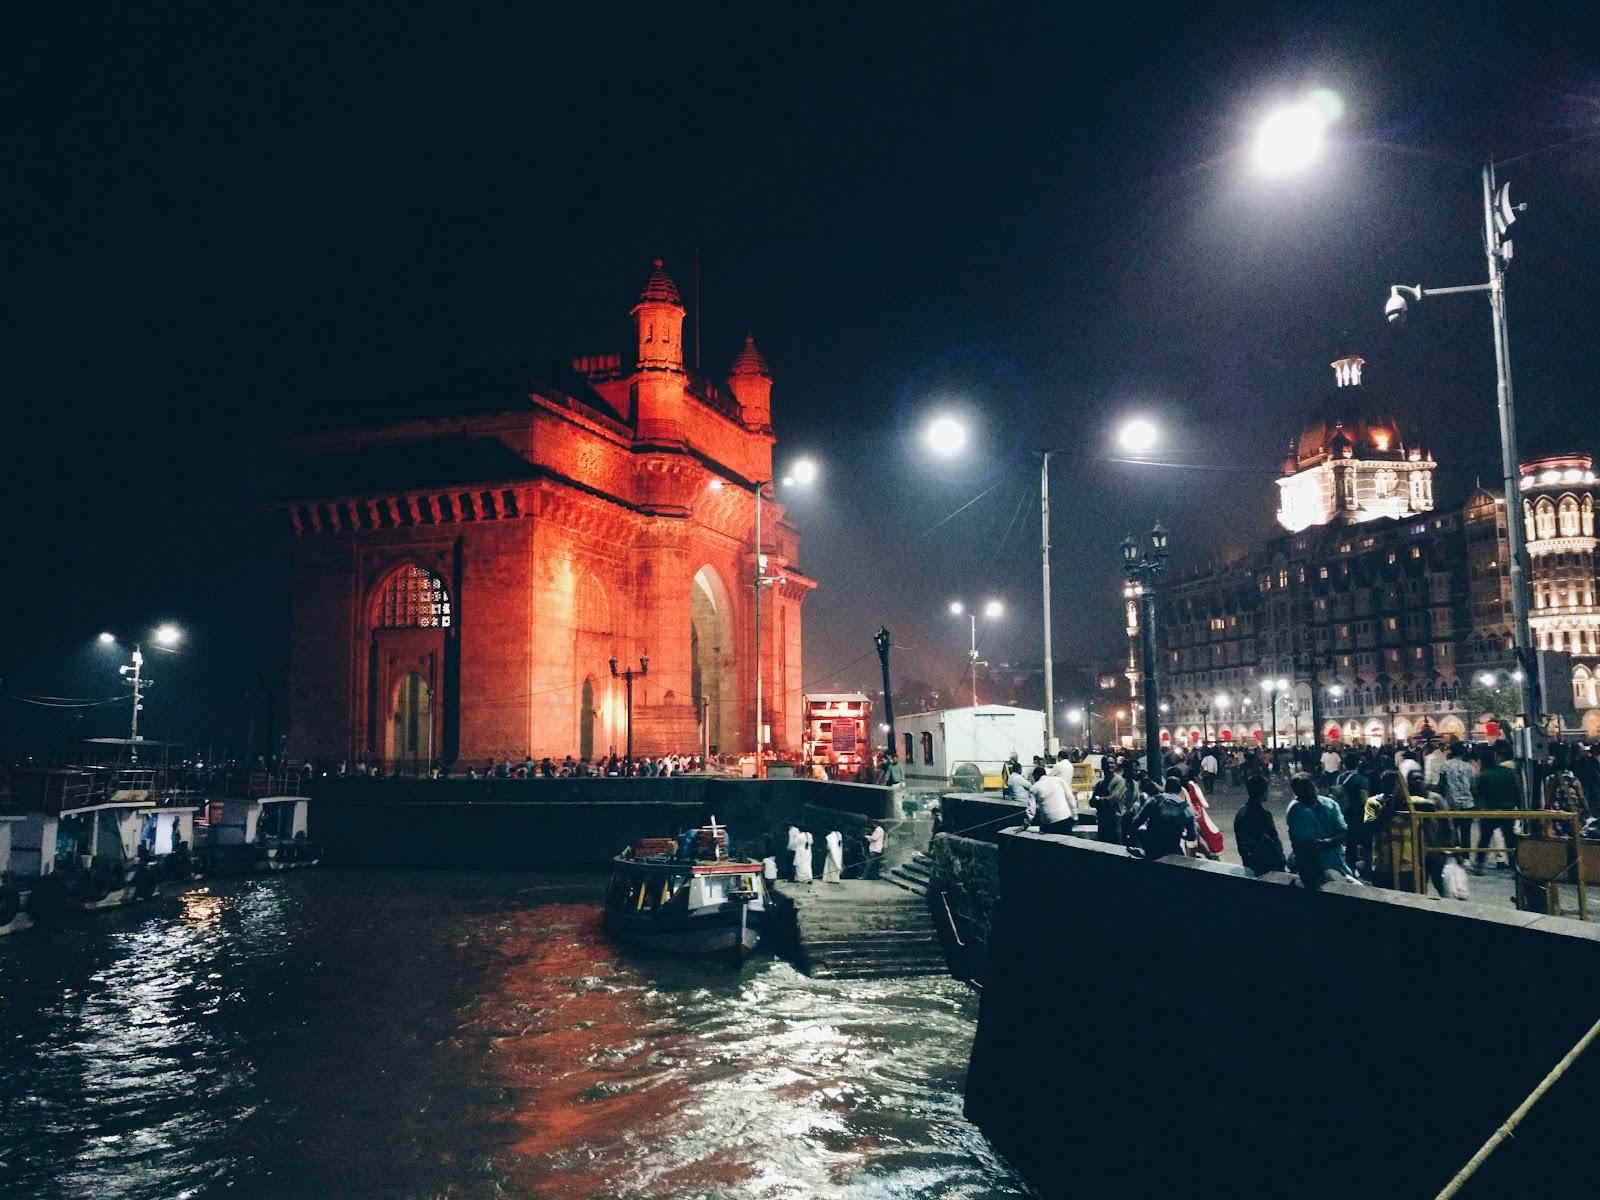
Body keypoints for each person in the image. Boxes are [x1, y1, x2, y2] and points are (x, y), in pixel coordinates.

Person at [1285, 771, 1356, 888]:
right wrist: (1332, 841)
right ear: (1297, 793)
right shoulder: (1296, 810)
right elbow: (1310, 846)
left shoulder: (1330, 804)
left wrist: (1324, 843)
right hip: (1314, 873)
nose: (1310, 792)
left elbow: (1343, 832)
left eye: (1311, 787)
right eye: (1304, 790)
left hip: (1339, 865)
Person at [1473, 743, 1521, 874]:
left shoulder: (1483, 776)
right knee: (1510, 839)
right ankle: (1515, 865)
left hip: (1490, 811)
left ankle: (1479, 865)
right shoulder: (1508, 772)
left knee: (1484, 839)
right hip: (1508, 810)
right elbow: (1517, 792)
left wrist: (1479, 810)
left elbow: (1479, 795)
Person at [1131, 776, 1196, 860]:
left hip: (1151, 847)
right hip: (1172, 849)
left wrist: (1132, 835)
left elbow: (1138, 820)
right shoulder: (1186, 809)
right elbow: (1192, 836)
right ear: (1180, 791)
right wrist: (1181, 834)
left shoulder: (1154, 800)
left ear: (1165, 788)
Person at [1234, 774, 1286, 877]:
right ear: (1264, 792)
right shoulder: (1264, 815)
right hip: (1266, 866)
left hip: (1249, 864)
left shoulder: (1240, 813)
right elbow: (1273, 840)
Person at [1437, 741, 1477, 860]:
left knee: (1452, 830)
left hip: (1451, 803)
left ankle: (1455, 853)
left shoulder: (1445, 766)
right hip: (1468, 803)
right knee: (1466, 832)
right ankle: (1466, 858)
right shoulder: (1469, 767)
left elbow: (1441, 784)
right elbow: (1473, 785)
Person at [1029, 766, 1075, 835]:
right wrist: (1075, 815)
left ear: (1035, 776)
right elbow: (1070, 798)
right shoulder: (1059, 780)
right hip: (1065, 819)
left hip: (1049, 824)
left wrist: (1025, 824)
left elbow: (1031, 811)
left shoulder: (1034, 787)